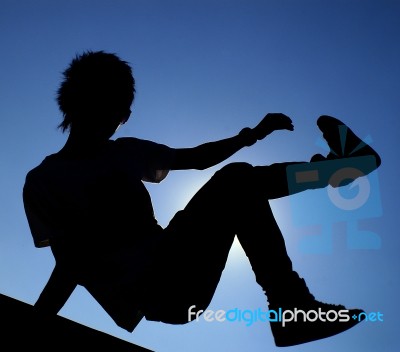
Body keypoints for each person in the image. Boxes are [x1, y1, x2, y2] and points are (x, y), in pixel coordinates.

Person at [22, 50, 381, 347]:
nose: (117, 118)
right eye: (109, 106)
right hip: (158, 293)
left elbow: (196, 158)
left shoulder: (122, 153)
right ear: (76, 103)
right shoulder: (45, 180)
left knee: (238, 182)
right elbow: (70, 262)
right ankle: (293, 304)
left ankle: (292, 305)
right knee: (237, 181)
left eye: (120, 111)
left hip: (176, 261)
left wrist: (251, 135)